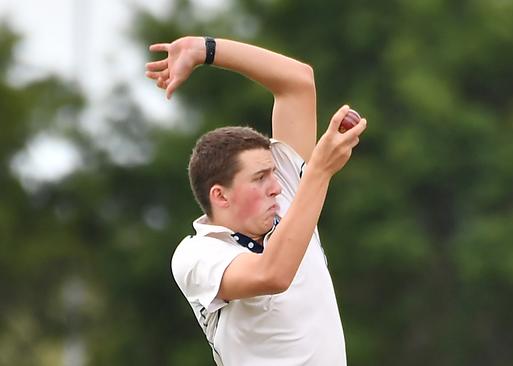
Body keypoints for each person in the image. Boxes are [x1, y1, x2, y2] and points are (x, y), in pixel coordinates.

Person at [145, 35, 366, 365]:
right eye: (260, 179)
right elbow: (272, 275)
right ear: (220, 196)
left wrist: (204, 50)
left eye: (274, 174)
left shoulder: (288, 197)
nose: (277, 187)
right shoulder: (196, 255)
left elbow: (298, 82)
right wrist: (318, 172)